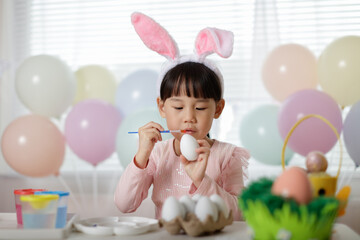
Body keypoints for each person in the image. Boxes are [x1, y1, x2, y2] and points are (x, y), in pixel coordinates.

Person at [114, 12, 250, 221]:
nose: (189, 118)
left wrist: (202, 180)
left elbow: (240, 215)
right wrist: (141, 156)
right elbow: (124, 204)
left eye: (200, 108)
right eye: (178, 108)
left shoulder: (226, 156)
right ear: (161, 107)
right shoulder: (157, 154)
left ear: (218, 109)